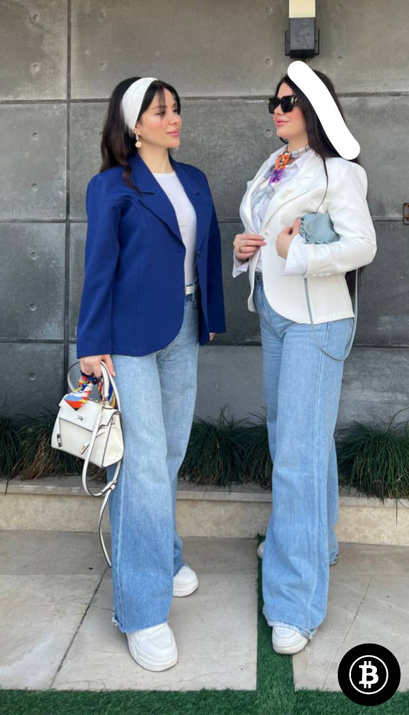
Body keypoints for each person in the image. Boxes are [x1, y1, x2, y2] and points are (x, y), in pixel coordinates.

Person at [76, 77, 225, 671]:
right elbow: (99, 265)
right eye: (160, 111)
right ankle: (141, 611)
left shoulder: (195, 179)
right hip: (129, 337)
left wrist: (210, 316)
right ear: (134, 125)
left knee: (168, 453)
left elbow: (205, 249)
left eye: (176, 109)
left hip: (183, 327)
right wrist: (91, 344)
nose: (174, 118)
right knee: (140, 464)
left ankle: (163, 555)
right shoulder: (111, 186)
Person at [233, 62, 376, 655]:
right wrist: (247, 248)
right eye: (274, 100)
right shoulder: (276, 164)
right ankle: (316, 541)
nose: (277, 109)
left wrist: (295, 255)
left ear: (314, 109)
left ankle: (295, 602)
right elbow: (262, 228)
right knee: (294, 440)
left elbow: (362, 244)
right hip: (274, 313)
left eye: (288, 102)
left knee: (297, 453)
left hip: (316, 320)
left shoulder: (338, 171)